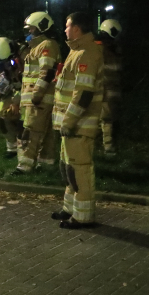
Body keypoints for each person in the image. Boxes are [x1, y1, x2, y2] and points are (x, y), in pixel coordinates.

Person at [51, 12, 104, 229]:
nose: (65, 29)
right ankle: (70, 209)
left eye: (67, 25)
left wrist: (69, 121)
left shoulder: (88, 53)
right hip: (70, 125)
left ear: (77, 28)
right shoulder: (77, 51)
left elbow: (84, 94)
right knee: (69, 168)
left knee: (79, 170)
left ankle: (84, 217)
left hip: (79, 125)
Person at [13, 11, 61, 175]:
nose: (29, 32)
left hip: (39, 99)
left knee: (31, 131)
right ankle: (45, 165)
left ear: (41, 27)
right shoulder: (37, 47)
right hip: (37, 99)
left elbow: (47, 72)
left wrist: (37, 94)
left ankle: (24, 166)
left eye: (32, 29)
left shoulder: (47, 45)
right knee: (45, 133)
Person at [0, 37, 24, 159]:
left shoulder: (23, 55)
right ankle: (12, 147)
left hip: (26, 91)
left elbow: (27, 80)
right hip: (9, 90)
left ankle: (24, 150)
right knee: (0, 117)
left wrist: (16, 101)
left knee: (22, 120)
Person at [96, 19, 123, 156]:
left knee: (105, 121)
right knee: (108, 121)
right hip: (112, 91)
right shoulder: (115, 51)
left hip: (103, 91)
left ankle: (107, 148)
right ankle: (109, 148)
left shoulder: (98, 49)